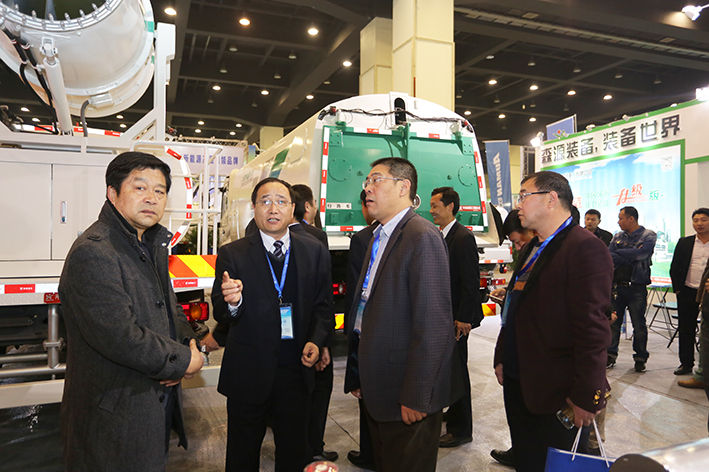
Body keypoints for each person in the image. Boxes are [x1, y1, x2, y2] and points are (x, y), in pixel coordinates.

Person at [58, 152, 205, 470]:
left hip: (146, 407)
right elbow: (119, 336)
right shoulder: (95, 251)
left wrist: (188, 344)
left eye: (160, 190)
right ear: (112, 193)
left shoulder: (147, 245)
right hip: (112, 417)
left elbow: (169, 309)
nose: (152, 198)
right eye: (140, 187)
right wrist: (182, 360)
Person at [493, 171, 613, 472]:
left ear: (551, 199)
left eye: (524, 195)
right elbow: (516, 306)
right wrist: (503, 354)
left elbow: (592, 328)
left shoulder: (584, 247)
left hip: (558, 390)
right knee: (528, 460)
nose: (518, 204)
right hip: (521, 380)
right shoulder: (533, 247)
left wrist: (586, 395)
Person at [211, 177, 332, 472]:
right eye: (265, 201)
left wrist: (316, 340)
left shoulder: (313, 250)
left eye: (281, 201)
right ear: (254, 208)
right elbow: (222, 313)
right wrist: (233, 302)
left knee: (293, 453)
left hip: (295, 372)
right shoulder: (233, 253)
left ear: (292, 208)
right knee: (242, 455)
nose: (273, 208)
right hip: (249, 373)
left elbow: (323, 306)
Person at [345, 157, 458, 472]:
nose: (368, 188)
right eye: (367, 181)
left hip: (405, 394)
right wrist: (359, 374)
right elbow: (366, 310)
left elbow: (433, 325)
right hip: (379, 384)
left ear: (403, 186)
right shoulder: (380, 236)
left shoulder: (420, 236)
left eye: (376, 180)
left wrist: (417, 395)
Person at [429, 186, 483, 448]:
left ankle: (461, 429)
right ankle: (452, 412)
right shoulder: (442, 234)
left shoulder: (462, 237)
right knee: (449, 369)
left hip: (457, 319)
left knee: (458, 371)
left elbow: (470, 281)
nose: (431, 211)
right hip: (445, 317)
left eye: (435, 206)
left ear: (450, 206)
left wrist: (464, 318)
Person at [291, 184, 337, 462]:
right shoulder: (316, 237)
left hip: (283, 335)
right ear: (306, 206)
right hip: (312, 333)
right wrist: (324, 342)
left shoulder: (254, 232)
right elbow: (324, 295)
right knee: (317, 392)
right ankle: (313, 448)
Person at [489, 209, 535, 468]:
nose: (518, 248)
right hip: (515, 352)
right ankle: (521, 452)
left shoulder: (563, 254)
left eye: (519, 241)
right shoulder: (527, 256)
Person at [344, 190, 379, 471]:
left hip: (365, 327)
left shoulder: (362, 238)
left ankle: (369, 454)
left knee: (367, 394)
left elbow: (356, 288)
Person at [607, 206, 657, 372]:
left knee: (639, 325)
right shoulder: (617, 236)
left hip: (636, 286)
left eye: (621, 218)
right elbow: (609, 254)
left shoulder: (648, 235)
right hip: (617, 286)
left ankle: (640, 358)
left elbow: (642, 254)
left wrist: (622, 253)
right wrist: (631, 254)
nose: (618, 222)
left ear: (631, 219)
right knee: (613, 323)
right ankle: (610, 355)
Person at [669, 208, 709, 376]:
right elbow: (675, 267)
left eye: (703, 220)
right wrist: (678, 289)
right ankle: (686, 364)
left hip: (707, 293)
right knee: (686, 328)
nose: (699, 223)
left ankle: (705, 368)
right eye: (695, 220)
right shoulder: (685, 242)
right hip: (687, 290)